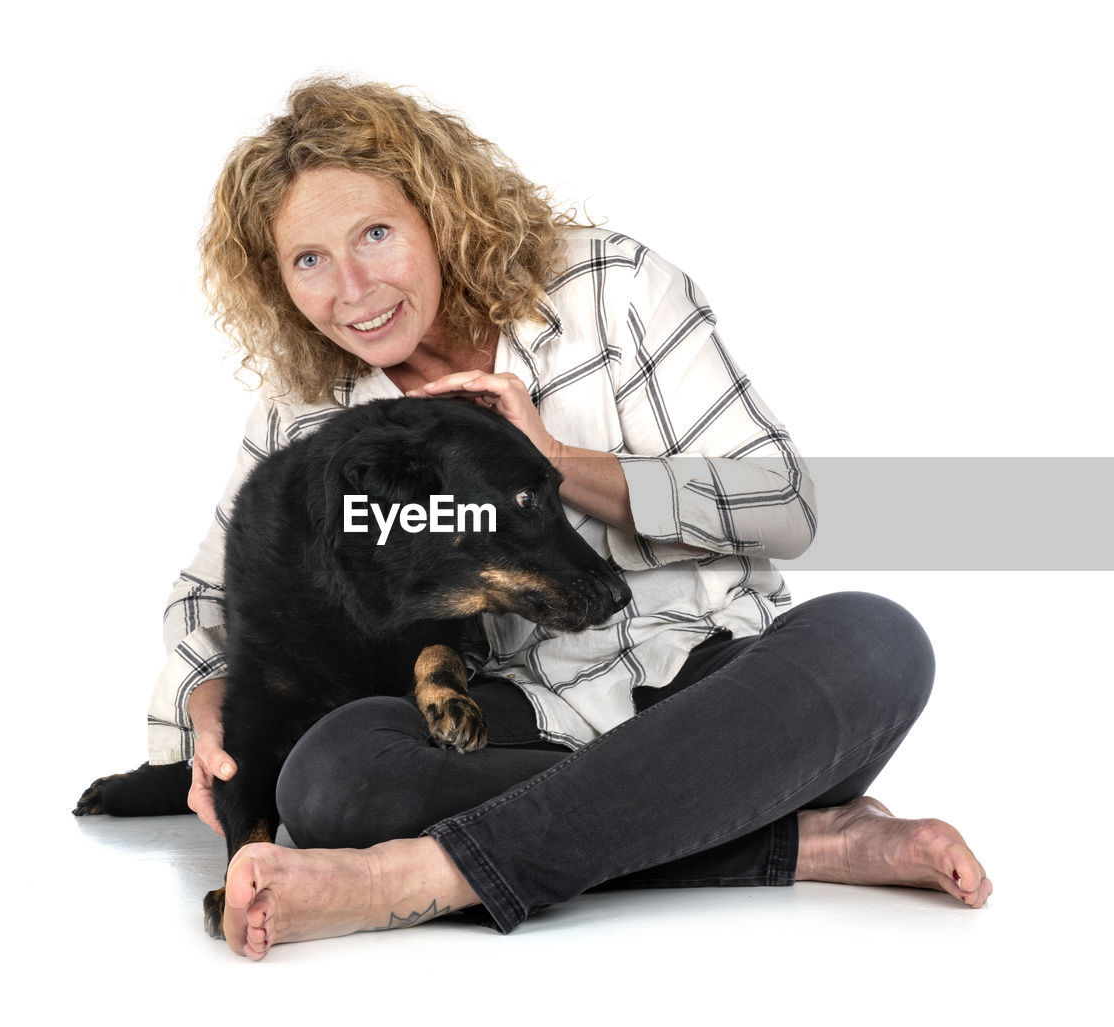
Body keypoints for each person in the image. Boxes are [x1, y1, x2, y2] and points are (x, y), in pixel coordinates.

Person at [148, 77, 992, 959]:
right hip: (511, 724)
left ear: (440, 212)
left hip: (719, 688)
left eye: (376, 234)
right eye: (309, 260)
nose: (353, 287)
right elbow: (205, 598)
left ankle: (419, 876)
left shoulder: (610, 290)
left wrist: (557, 462)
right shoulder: (307, 413)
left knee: (874, 644)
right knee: (333, 777)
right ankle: (803, 840)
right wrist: (210, 704)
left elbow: (785, 503)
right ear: (279, 282)